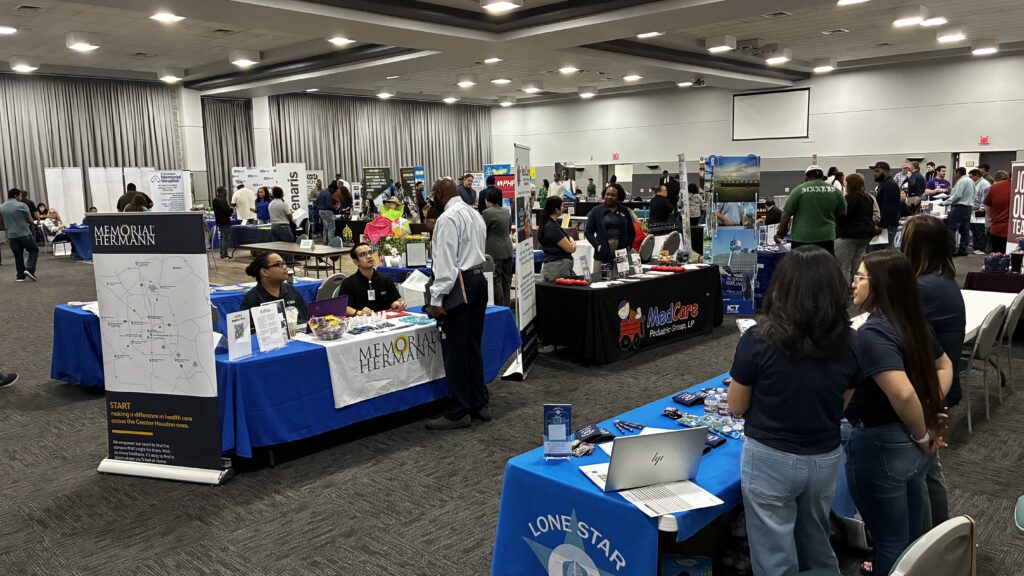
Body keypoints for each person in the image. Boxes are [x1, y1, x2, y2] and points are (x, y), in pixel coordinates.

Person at [728, 246, 859, 576]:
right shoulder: (851, 341)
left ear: (781, 286)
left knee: (774, 556)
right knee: (817, 544)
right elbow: (842, 403)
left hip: (769, 456)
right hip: (824, 456)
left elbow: (736, 406)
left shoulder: (757, 339)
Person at [847, 250, 953, 576]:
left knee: (889, 540)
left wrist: (922, 431)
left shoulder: (873, 333)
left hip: (884, 442)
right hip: (911, 443)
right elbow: (945, 366)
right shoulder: (912, 322)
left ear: (880, 284)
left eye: (860, 277)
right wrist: (929, 410)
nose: (853, 284)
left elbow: (902, 393)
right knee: (910, 533)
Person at [900, 214, 966, 530]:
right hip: (938, 388)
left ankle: (928, 539)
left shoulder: (919, 288)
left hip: (924, 392)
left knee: (919, 473)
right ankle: (937, 534)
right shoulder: (944, 281)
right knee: (928, 468)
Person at [424, 178, 489, 430]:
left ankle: (458, 411)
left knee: (455, 350)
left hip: (459, 285)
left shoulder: (447, 218)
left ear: (440, 193)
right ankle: (479, 402)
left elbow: (445, 263)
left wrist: (436, 299)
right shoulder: (474, 214)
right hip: (478, 281)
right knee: (472, 346)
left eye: (433, 194)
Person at [775, 165, 847, 255]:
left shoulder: (799, 190)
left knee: (801, 263)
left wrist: (781, 232)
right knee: (824, 263)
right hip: (826, 237)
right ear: (822, 176)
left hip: (802, 238)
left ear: (806, 177)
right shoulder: (835, 191)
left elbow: (786, 214)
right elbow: (843, 212)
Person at [240, 251, 309, 326]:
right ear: (264, 272)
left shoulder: (292, 291)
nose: (284, 267)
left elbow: (307, 318)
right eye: (278, 264)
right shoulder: (252, 298)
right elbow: (248, 329)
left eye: (283, 263)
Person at [338, 242, 406, 316]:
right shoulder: (348, 283)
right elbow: (343, 307)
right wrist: (359, 313)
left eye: (370, 252)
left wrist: (397, 305)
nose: (369, 256)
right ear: (356, 262)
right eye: (363, 254)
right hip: (361, 320)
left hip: (383, 319)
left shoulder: (385, 279)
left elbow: (392, 301)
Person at [835, 173, 876, 284]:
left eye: (846, 183)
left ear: (851, 184)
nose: (845, 185)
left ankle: (845, 290)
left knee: (844, 265)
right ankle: (857, 287)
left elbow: (843, 216)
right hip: (865, 235)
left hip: (848, 235)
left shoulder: (849, 198)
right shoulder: (868, 198)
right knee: (857, 265)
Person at [585, 183, 635, 264]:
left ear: (619, 197)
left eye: (613, 195)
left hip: (621, 251)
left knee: (620, 272)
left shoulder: (624, 211)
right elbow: (588, 232)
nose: (609, 197)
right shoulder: (596, 210)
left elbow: (631, 232)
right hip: (602, 251)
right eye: (607, 194)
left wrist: (628, 246)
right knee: (600, 272)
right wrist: (597, 245)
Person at [482, 188, 513, 307]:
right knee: (507, 280)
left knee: (496, 280)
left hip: (494, 251)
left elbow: (481, 231)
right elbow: (509, 229)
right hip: (508, 249)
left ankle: (500, 306)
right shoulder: (506, 211)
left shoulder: (487, 213)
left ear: (487, 200)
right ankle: (506, 306)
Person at [1, 189, 38, 281]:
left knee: (18, 255)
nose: (21, 198)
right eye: (20, 196)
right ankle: (30, 269)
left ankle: (20, 275)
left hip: (11, 235)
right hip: (24, 233)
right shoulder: (22, 205)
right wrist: (33, 222)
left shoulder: (1, 207)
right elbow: (30, 220)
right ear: (16, 196)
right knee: (33, 250)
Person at [537, 196, 576, 281]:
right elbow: (570, 249)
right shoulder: (551, 227)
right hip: (557, 268)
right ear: (556, 210)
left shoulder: (552, 224)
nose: (563, 208)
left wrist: (571, 240)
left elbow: (568, 239)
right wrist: (573, 243)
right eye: (562, 206)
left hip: (559, 267)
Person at [941, 167, 974, 257]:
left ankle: (951, 251)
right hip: (968, 208)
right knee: (964, 230)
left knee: (951, 229)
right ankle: (963, 250)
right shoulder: (971, 181)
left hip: (959, 207)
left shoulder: (961, 181)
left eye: (955, 173)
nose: (955, 175)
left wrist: (945, 203)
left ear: (958, 172)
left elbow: (958, 195)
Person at [872, 161, 901, 248]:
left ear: (885, 171)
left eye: (877, 171)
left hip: (887, 227)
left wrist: (881, 225)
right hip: (886, 225)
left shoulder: (890, 185)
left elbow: (889, 208)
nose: (874, 174)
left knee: (884, 253)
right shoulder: (884, 184)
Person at [983, 170, 1011, 254]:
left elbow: (987, 205)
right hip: (1016, 231)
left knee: (997, 257)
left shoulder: (995, 187)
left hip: (998, 229)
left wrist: (991, 218)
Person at [268, 186, 295, 264]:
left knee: (277, 247)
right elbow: (290, 217)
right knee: (288, 246)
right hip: (283, 226)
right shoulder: (283, 204)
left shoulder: (271, 204)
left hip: (273, 226)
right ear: (281, 194)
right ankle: (289, 264)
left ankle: (278, 264)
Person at [969, 168, 991, 255]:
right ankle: (976, 246)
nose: (970, 179)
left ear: (976, 176)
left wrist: (982, 208)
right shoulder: (975, 183)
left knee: (979, 229)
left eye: (971, 177)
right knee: (973, 228)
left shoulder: (984, 184)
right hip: (974, 209)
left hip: (980, 210)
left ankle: (981, 248)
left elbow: (985, 198)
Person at [212, 186, 234, 260]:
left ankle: (222, 254)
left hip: (219, 221)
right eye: (225, 191)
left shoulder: (215, 199)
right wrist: (231, 210)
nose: (226, 192)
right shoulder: (222, 199)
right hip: (225, 221)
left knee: (222, 238)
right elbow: (226, 210)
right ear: (222, 191)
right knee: (225, 238)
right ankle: (224, 255)